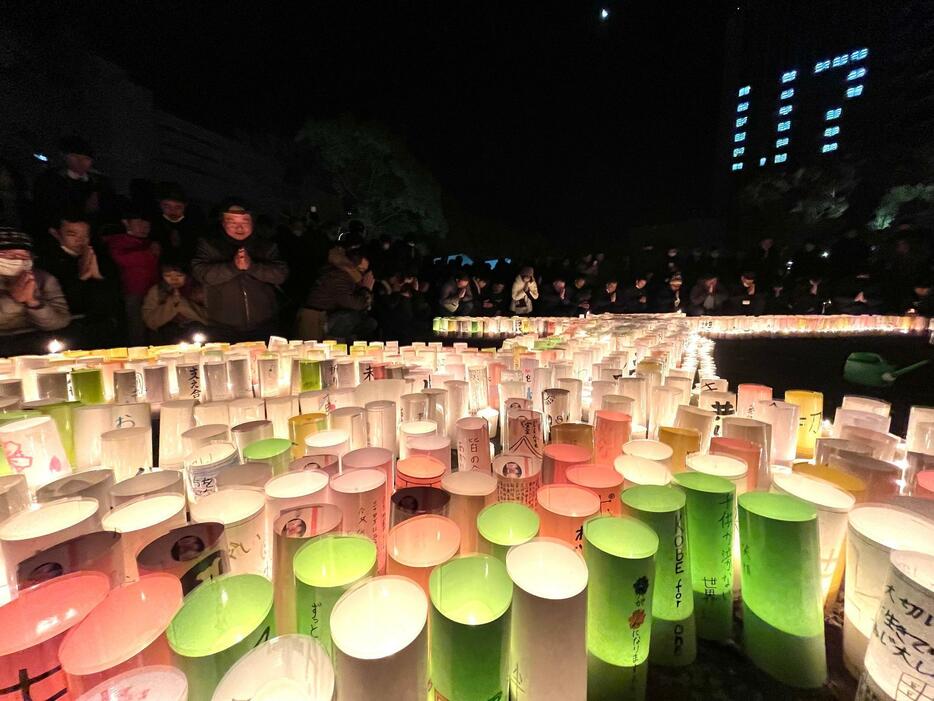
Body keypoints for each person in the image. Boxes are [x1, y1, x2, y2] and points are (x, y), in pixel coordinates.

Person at [191, 199, 288, 341]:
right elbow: (202, 274)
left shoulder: (266, 246)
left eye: (245, 222)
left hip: (264, 324)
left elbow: (280, 274)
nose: (239, 228)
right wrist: (233, 267)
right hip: (223, 326)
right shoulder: (209, 245)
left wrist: (252, 267)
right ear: (223, 223)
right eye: (232, 222)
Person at [40, 214, 120, 324]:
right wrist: (80, 279)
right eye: (72, 235)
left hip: (101, 325)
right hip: (68, 326)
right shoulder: (46, 263)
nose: (80, 240)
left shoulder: (101, 258)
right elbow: (62, 305)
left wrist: (98, 278)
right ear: (56, 233)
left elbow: (114, 299)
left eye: (85, 235)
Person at [32, 136, 113, 232]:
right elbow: (46, 210)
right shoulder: (51, 180)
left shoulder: (100, 182)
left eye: (86, 159)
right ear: (65, 157)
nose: (81, 162)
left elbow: (109, 210)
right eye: (75, 157)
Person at [105, 207, 160, 344]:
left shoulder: (149, 242)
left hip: (155, 291)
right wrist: (150, 252)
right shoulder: (118, 241)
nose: (144, 227)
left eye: (147, 224)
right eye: (139, 222)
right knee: (137, 329)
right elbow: (125, 259)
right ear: (126, 222)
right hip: (134, 292)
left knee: (155, 326)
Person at [0, 228, 70, 332]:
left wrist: (32, 302)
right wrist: (13, 299)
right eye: (7, 253)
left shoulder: (44, 279)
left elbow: (61, 321)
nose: (18, 259)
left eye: (24, 254)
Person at [301, 250, 377, 342]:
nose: (362, 275)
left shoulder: (345, 276)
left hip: (321, 317)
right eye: (361, 270)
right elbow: (353, 304)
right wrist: (366, 289)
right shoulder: (339, 276)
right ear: (351, 265)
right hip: (314, 320)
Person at [142, 261, 210, 343]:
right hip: (167, 333)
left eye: (179, 275)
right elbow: (149, 319)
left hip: (197, 332)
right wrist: (171, 303)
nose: (174, 279)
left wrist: (185, 305)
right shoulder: (157, 291)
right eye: (167, 275)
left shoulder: (198, 290)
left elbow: (210, 317)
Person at [150, 184, 199, 263]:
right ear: (160, 205)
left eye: (178, 207)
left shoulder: (195, 226)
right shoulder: (151, 226)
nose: (172, 211)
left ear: (185, 206)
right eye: (167, 206)